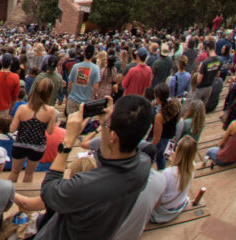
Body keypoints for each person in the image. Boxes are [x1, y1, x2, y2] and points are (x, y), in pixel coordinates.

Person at [14, 94, 154, 240]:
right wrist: (105, 124)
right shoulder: (143, 166)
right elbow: (109, 156)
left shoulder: (87, 185)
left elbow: (49, 191)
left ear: (113, 137)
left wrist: (68, 140)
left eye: (108, 124)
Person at [150, 136, 196, 224]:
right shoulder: (192, 166)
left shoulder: (168, 173)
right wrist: (174, 162)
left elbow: (158, 201)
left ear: (178, 151)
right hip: (179, 206)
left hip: (163, 212)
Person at [64, 46, 100, 115]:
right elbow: (96, 87)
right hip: (86, 101)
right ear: (93, 55)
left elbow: (70, 83)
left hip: (73, 99)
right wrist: (93, 97)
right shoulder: (95, 68)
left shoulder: (76, 66)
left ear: (84, 54)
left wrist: (69, 94)